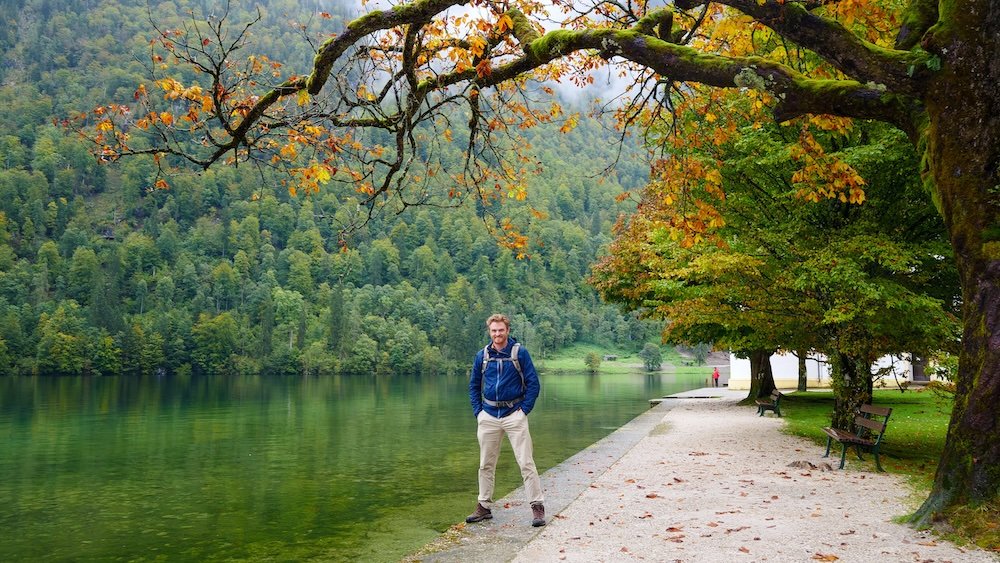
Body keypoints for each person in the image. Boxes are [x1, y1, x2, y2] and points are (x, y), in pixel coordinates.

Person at [466, 313, 545, 527]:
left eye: (501, 330)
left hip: (514, 415)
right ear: (489, 332)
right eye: (494, 330)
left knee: (526, 462)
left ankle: (537, 507)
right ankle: (484, 506)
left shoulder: (520, 353)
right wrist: (478, 412)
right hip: (488, 416)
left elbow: (533, 384)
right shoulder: (482, 355)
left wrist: (524, 410)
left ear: (507, 330)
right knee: (485, 464)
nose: (497, 334)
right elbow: (474, 386)